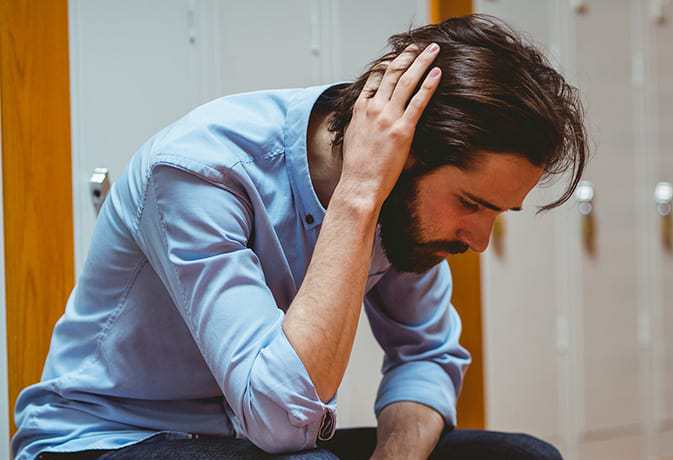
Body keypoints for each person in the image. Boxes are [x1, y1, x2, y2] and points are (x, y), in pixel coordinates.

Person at [13, 15, 586, 460]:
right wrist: (359, 194)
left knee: (521, 455)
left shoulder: (412, 217)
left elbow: (427, 353)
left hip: (251, 441)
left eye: (498, 213)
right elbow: (280, 420)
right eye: (470, 204)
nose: (480, 240)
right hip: (107, 439)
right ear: (402, 157)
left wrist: (397, 452)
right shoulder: (201, 170)